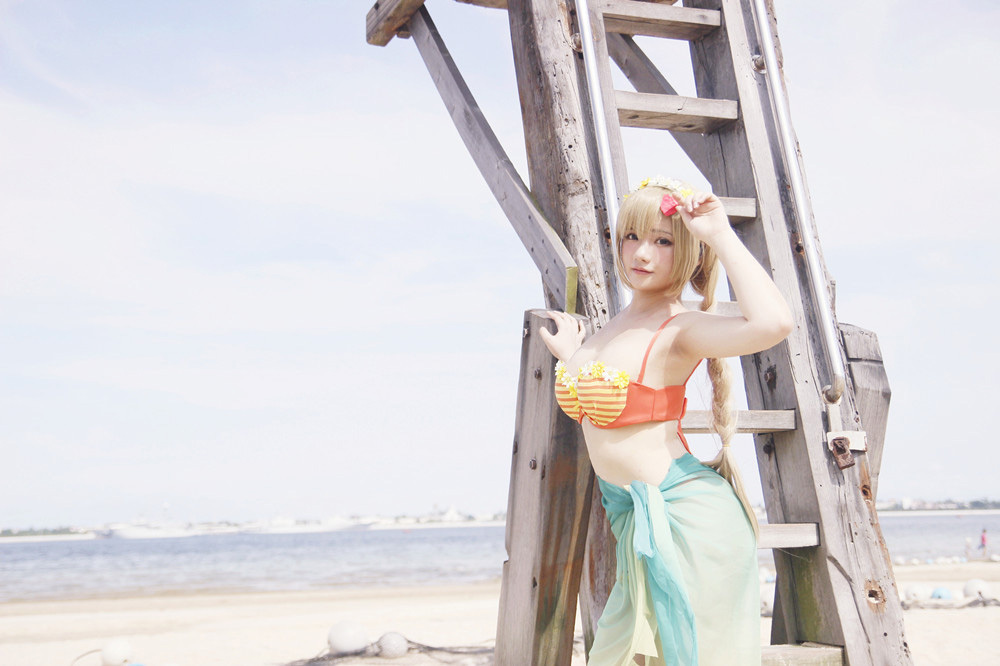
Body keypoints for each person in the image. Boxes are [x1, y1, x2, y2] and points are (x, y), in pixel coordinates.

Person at [539, 177, 793, 665]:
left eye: (663, 241)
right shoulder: (610, 329)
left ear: (690, 253)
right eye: (632, 236)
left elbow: (774, 324)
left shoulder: (680, 328)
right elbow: (602, 405)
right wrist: (571, 356)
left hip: (688, 521)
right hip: (632, 522)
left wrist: (719, 234)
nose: (642, 253)